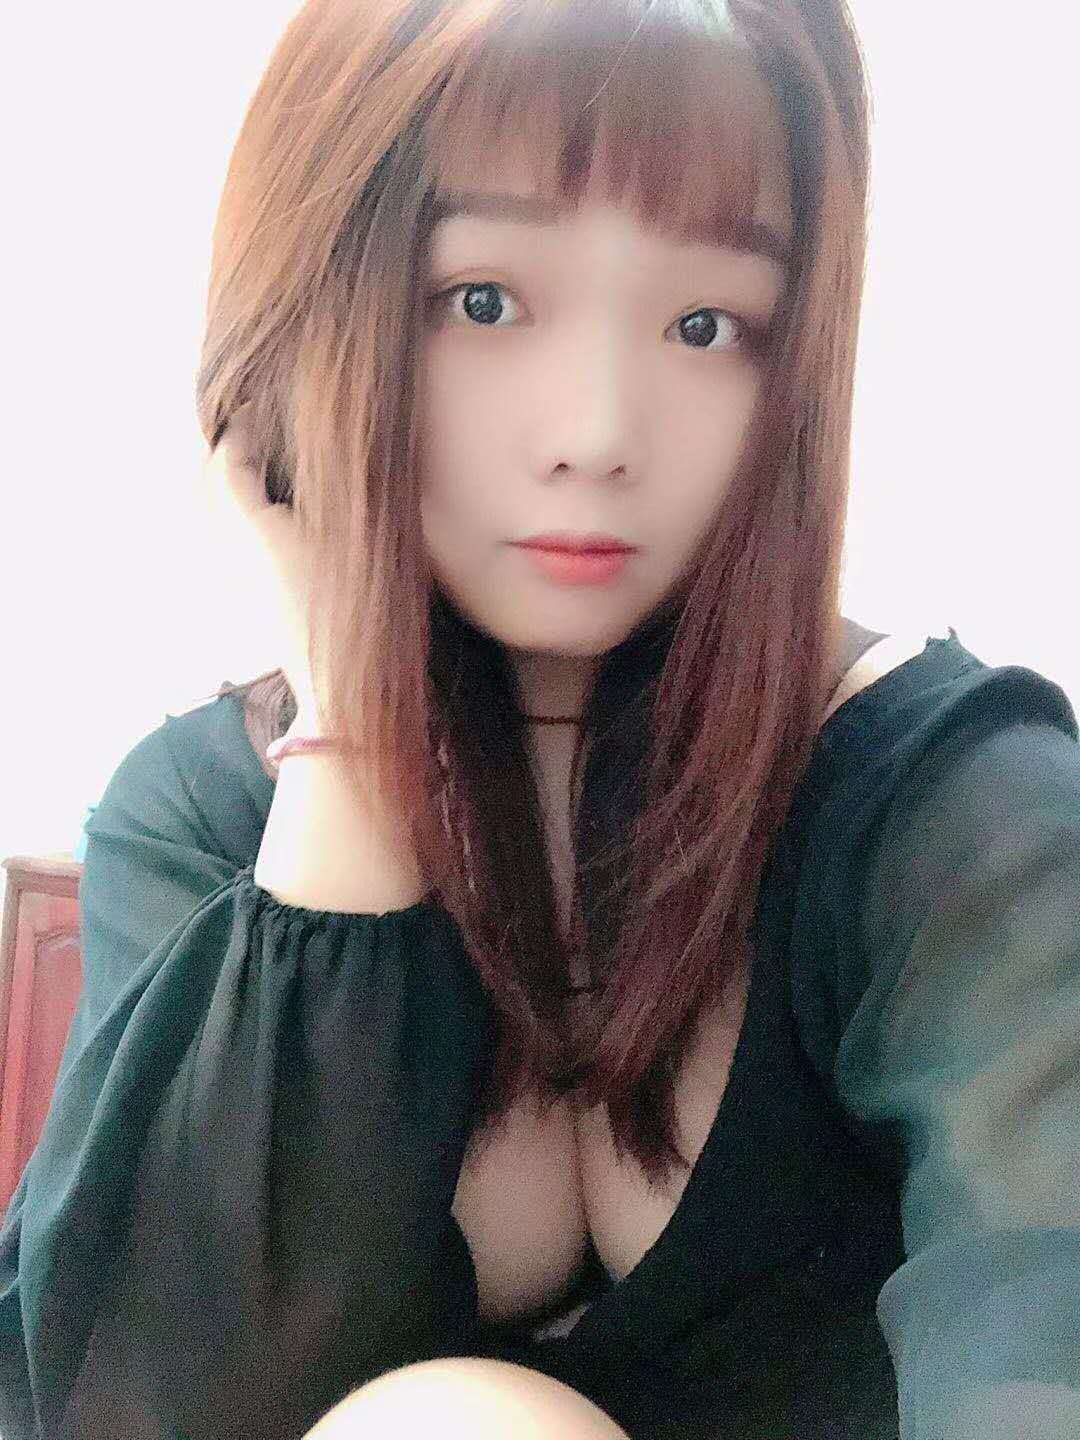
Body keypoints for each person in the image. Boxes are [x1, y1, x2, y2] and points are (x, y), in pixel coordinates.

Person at [3, 0, 1079, 1436]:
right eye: (484, 302)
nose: (598, 433)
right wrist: (350, 724)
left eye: (706, 325)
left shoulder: (955, 805)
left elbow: (1042, 1304)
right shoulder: (207, 816)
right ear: (314, 314)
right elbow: (146, 1400)